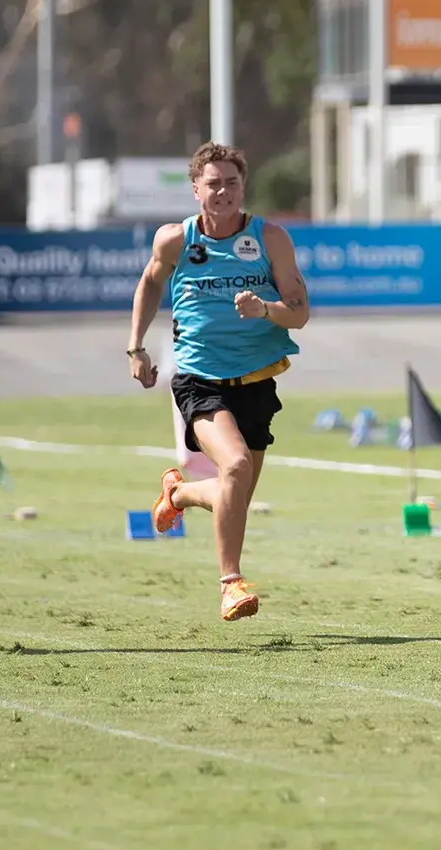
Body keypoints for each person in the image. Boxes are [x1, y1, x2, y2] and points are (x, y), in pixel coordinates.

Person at [127, 142, 310, 623]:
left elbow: (300, 313)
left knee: (236, 494)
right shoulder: (175, 240)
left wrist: (265, 310)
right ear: (195, 189)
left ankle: (180, 494)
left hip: (257, 379)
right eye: (213, 183)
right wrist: (136, 346)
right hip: (198, 378)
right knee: (232, 467)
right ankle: (231, 583)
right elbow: (149, 283)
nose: (223, 191)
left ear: (242, 187)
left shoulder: (271, 239)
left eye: (231, 182)